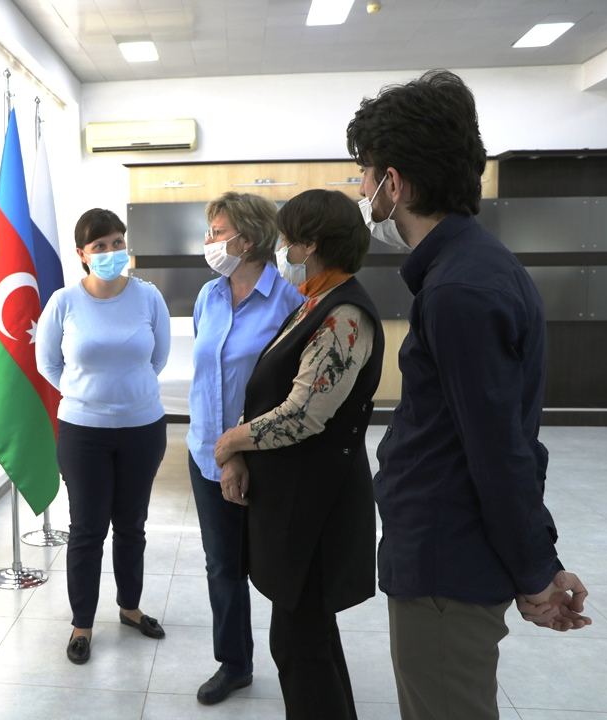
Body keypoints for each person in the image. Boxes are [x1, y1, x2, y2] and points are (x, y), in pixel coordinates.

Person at [347, 69, 591, 720]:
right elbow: (500, 434)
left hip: (444, 569)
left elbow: (499, 453)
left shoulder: (459, 292)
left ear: (393, 183)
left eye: (366, 176)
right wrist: (536, 559)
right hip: (445, 552)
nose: (364, 192)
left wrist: (536, 572)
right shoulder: (473, 268)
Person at [214, 189, 383, 719]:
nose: (282, 247)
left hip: (319, 506)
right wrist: (240, 449)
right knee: (309, 637)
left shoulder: (344, 315)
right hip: (298, 499)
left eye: (289, 238)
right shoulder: (314, 301)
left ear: (311, 245)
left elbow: (302, 413)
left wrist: (230, 442)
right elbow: (272, 390)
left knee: (298, 644)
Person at [35, 208, 171, 665]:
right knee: (88, 530)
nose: (112, 252)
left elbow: (158, 359)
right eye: (100, 246)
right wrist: (87, 395)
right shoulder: (64, 302)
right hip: (83, 432)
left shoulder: (148, 297)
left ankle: (130, 608)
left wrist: (126, 396)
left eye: (117, 242)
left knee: (132, 525)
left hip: (142, 428)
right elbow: (48, 364)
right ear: (82, 254)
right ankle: (82, 624)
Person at [187, 192, 303, 704]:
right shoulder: (207, 297)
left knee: (278, 563)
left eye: (216, 232)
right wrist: (217, 450)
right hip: (204, 454)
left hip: (265, 460)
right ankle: (234, 663)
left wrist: (241, 450)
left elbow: (288, 389)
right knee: (223, 565)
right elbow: (209, 374)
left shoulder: (291, 304)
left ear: (247, 239)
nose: (209, 242)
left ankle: (299, 659)